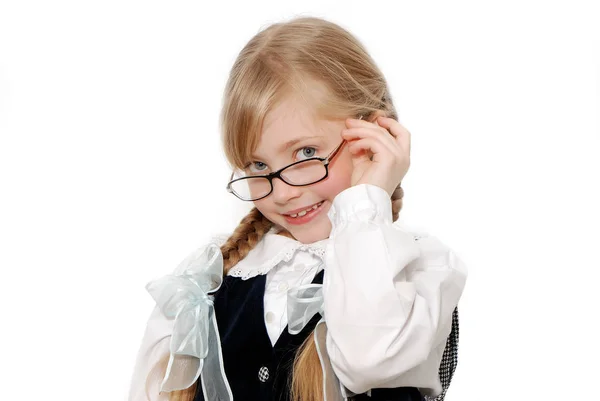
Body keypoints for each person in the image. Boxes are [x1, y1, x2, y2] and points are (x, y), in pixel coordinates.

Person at [128, 16, 468, 401]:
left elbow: (370, 361)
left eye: (306, 153)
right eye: (258, 166)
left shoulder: (418, 270)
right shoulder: (208, 278)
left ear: (374, 134)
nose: (284, 191)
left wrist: (367, 199)